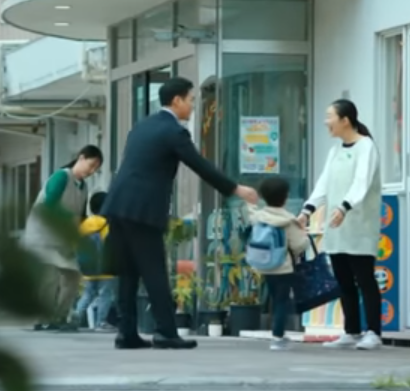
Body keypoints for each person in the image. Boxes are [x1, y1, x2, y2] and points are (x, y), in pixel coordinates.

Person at [104, 77, 259, 350]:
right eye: (190, 100)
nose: (192, 105)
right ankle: (166, 332)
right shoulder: (174, 132)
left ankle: (126, 333)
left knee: (127, 272)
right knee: (154, 271)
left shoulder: (143, 125)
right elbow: (200, 165)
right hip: (143, 209)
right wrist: (235, 188)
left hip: (118, 204)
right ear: (176, 100)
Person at [299, 99, 384, 350]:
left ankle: (374, 332)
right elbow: (323, 184)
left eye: (330, 117)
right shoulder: (335, 150)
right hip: (336, 227)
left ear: (345, 120)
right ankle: (351, 331)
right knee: (343, 280)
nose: (326, 122)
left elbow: (361, 182)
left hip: (359, 226)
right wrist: (307, 210)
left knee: (365, 279)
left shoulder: (366, 147)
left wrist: (344, 207)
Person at [22, 145, 103, 332]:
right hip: (42, 236)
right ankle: (42, 318)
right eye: (91, 165)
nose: (92, 171)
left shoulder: (83, 187)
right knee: (49, 279)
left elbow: (80, 216)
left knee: (72, 275)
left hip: (62, 239)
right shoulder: (61, 177)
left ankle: (59, 316)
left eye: (96, 169)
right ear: (81, 158)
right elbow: (49, 205)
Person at [244, 177, 311, 351]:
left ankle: (278, 333)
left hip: (264, 264)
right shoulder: (288, 220)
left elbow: (250, 213)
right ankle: (278, 337)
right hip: (283, 267)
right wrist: (304, 234)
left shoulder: (259, 217)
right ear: (286, 197)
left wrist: (250, 202)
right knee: (282, 301)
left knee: (275, 298)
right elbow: (299, 245)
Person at [71, 192, 116, 331]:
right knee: (105, 294)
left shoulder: (85, 224)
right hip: (105, 266)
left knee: (88, 293)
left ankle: (76, 315)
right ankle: (101, 322)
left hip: (88, 266)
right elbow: (110, 243)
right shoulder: (106, 223)